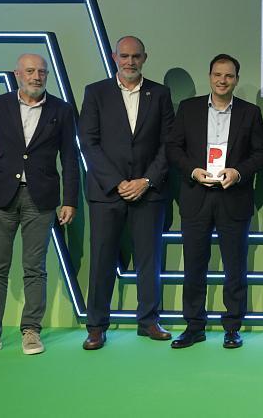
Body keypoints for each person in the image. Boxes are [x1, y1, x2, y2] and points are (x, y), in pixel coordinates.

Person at [0, 53, 80, 358]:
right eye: (30, 71)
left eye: (41, 71)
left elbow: (69, 159)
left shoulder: (62, 110)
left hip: (40, 199)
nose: (36, 76)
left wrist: (69, 201)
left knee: (35, 269)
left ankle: (31, 330)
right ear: (17, 74)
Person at [166, 54, 263, 349]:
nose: (222, 80)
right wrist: (192, 170)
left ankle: (233, 326)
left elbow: (261, 154)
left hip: (233, 198)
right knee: (194, 267)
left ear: (236, 79)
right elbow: (173, 147)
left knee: (234, 267)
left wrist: (237, 172)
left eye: (229, 76)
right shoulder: (189, 109)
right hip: (196, 197)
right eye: (217, 75)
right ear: (209, 76)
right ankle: (194, 326)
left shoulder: (249, 113)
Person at [79, 35, 174, 350]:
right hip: (107, 193)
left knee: (150, 260)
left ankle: (148, 321)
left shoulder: (159, 94)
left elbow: (168, 144)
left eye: (136, 56)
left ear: (145, 58)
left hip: (148, 193)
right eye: (124, 56)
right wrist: (118, 182)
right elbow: (89, 142)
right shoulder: (95, 93)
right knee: (102, 260)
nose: (130, 62)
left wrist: (145, 181)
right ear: (114, 57)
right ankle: (96, 327)